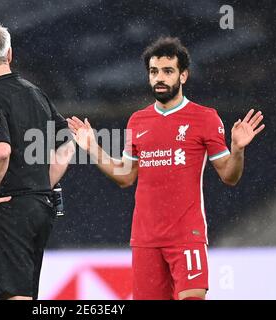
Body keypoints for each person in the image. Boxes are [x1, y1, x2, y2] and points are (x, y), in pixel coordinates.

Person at [67, 37, 265, 300]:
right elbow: (126, 177)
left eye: (168, 71)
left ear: (183, 75)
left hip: (187, 236)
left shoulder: (205, 118)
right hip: (145, 240)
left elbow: (229, 176)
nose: (159, 78)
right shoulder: (137, 121)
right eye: (153, 72)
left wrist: (238, 149)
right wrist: (92, 147)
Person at [0, 23, 74, 300]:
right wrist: (39, 185)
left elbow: (0, 152)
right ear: (10, 54)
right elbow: (67, 142)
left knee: (13, 295)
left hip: (10, 208)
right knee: (25, 293)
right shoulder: (35, 92)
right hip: (40, 207)